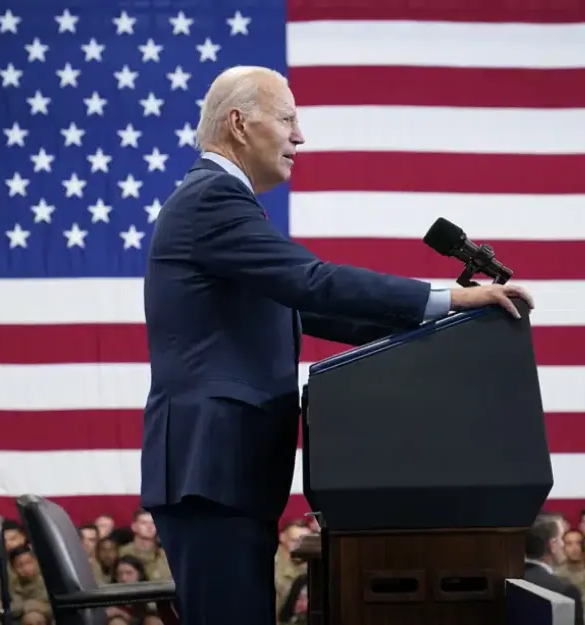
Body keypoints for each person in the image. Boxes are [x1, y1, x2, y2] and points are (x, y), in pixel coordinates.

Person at [140, 65, 535, 625]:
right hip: (212, 468)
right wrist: (446, 297)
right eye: (288, 119)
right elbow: (314, 280)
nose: (300, 136)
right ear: (239, 124)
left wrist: (434, 325)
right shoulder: (211, 200)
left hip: (225, 472)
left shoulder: (219, 203)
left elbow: (309, 307)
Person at [523, 515, 585, 625]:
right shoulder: (564, 590)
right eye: (561, 539)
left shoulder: (504, 581)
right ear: (552, 545)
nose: (563, 545)